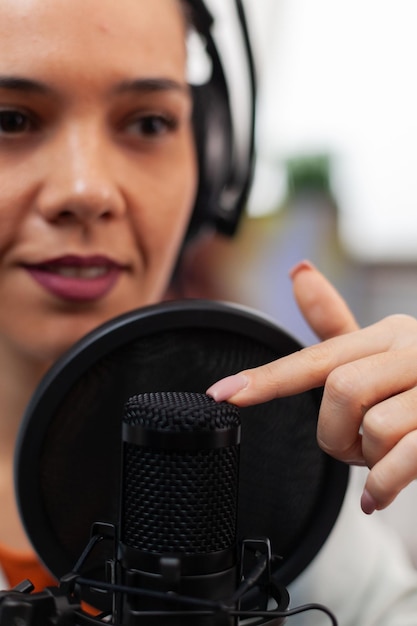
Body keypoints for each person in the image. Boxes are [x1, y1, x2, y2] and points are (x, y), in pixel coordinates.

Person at [0, 0, 416, 623]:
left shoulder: (268, 468)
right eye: (10, 119)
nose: (86, 191)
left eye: (148, 123)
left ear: (213, 151)